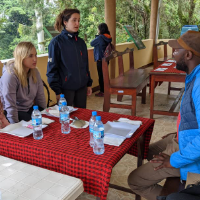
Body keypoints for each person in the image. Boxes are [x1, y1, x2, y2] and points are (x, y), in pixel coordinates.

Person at [128, 30, 200, 200]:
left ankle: (168, 197)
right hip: (182, 139)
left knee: (135, 180)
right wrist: (179, 132)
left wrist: (173, 161)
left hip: (189, 151)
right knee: (145, 149)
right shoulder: (193, 76)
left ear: (188, 55)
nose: (173, 54)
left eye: (176, 51)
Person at [46, 8, 93, 108]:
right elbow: (51, 69)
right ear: (65, 22)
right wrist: (57, 91)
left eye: (79, 20)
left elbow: (85, 65)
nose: (77, 23)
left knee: (81, 117)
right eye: (74, 20)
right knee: (66, 118)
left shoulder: (81, 42)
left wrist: (88, 83)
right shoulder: (56, 43)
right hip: (65, 89)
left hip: (82, 87)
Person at [0, 42, 46, 124]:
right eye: (30, 56)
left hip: (29, 109)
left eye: (35, 55)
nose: (35, 59)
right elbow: (10, 105)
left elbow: (40, 96)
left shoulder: (35, 72)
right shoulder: (10, 75)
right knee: (34, 124)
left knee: (46, 122)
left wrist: (45, 114)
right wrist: (15, 126)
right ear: (21, 57)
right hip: (13, 112)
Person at [90, 23, 112, 97]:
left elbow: (91, 43)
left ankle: (102, 91)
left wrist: (98, 37)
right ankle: (106, 89)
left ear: (100, 29)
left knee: (101, 76)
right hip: (106, 58)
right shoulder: (108, 37)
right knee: (105, 74)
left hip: (100, 59)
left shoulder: (100, 38)